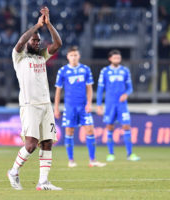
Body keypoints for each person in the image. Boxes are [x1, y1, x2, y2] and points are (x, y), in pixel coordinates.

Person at [7, 6, 62, 191]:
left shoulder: (41, 57)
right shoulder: (19, 57)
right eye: (34, 40)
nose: (37, 43)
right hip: (30, 106)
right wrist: (36, 26)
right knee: (30, 145)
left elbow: (58, 44)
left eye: (39, 41)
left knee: (47, 143)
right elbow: (21, 41)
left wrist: (48, 24)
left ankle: (43, 182)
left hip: (45, 105)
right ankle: (13, 172)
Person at [54, 46, 106, 168]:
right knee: (69, 131)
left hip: (83, 107)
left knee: (90, 130)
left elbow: (89, 88)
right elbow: (58, 91)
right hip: (70, 107)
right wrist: (56, 108)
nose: (73, 57)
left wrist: (89, 103)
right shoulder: (62, 71)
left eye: (75, 55)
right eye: (71, 55)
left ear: (79, 56)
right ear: (67, 57)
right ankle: (71, 160)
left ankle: (92, 160)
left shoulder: (85, 69)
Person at [96, 49, 140, 162]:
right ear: (110, 59)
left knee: (126, 126)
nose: (117, 60)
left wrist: (126, 94)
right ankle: (111, 154)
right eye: (115, 58)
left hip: (122, 105)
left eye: (119, 58)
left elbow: (130, 88)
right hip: (110, 104)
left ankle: (130, 154)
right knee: (109, 127)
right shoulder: (105, 71)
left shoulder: (125, 71)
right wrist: (99, 105)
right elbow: (100, 89)